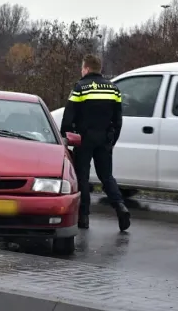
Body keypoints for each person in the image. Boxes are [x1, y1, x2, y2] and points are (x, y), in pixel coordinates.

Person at [59, 54, 131, 232]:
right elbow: (118, 119)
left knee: (82, 176)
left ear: (86, 69)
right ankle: (120, 206)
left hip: (84, 139)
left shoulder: (80, 88)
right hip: (105, 138)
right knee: (106, 176)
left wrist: (65, 138)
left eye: (82, 68)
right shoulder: (113, 89)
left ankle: (84, 217)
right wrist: (112, 141)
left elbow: (68, 117)